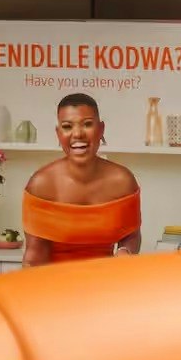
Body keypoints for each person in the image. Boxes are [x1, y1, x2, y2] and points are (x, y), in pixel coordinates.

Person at [21, 94, 141, 264]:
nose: (77, 134)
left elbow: (131, 236)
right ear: (58, 133)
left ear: (101, 129)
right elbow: (35, 254)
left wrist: (124, 252)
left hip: (108, 277)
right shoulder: (42, 184)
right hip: (55, 278)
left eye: (87, 124)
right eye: (67, 126)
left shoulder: (122, 181)